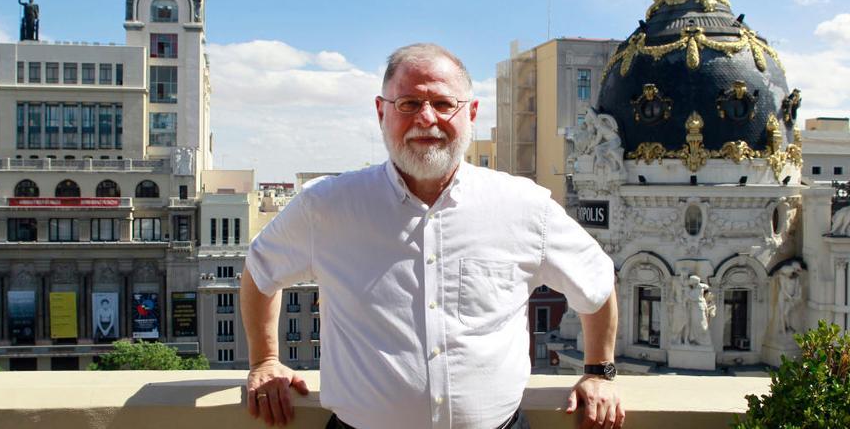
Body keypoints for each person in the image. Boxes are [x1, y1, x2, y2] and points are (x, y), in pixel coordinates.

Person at [241, 43, 624, 429]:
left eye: (443, 104)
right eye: (408, 103)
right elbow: (259, 273)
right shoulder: (327, 206)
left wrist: (599, 372)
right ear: (381, 112)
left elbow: (596, 280)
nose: (426, 118)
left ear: (470, 114)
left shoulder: (523, 206)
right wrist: (265, 360)